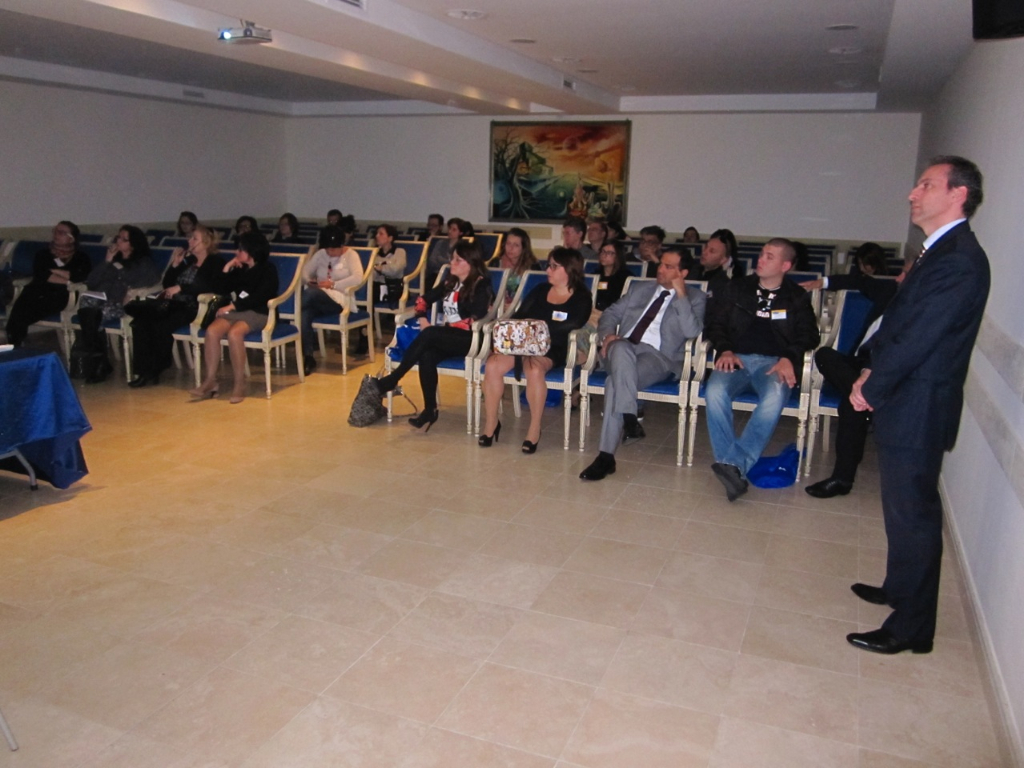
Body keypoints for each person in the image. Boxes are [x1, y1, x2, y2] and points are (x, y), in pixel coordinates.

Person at [846, 156, 989, 656]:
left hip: (919, 404)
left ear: (957, 195)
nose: (913, 193)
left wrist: (872, 386)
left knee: (914, 516)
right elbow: (900, 325)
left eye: (926, 185)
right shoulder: (939, 251)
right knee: (901, 509)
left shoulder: (958, 260)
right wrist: (871, 369)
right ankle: (899, 588)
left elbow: (920, 338)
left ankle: (911, 628)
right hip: (908, 397)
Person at [704, 238, 820, 501]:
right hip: (736, 358)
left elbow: (809, 335)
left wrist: (789, 357)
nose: (761, 260)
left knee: (774, 397)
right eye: (762, 254)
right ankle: (733, 468)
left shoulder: (795, 296)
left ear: (785, 265)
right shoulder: (737, 288)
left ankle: (733, 465)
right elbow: (715, 324)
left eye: (769, 256)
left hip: (774, 362)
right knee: (714, 391)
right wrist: (725, 349)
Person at [580, 249, 706, 481]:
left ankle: (606, 457)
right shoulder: (640, 289)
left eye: (669, 266)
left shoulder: (695, 298)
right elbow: (610, 314)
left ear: (683, 273)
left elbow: (691, 332)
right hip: (620, 350)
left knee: (614, 383)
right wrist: (607, 335)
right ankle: (629, 419)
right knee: (620, 347)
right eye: (661, 264)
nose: (660, 269)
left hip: (657, 358)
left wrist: (680, 295)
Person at [799, 262, 902, 498]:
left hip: (884, 370)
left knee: (851, 405)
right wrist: (823, 282)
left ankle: (842, 479)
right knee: (824, 354)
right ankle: (862, 394)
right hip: (856, 365)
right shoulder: (889, 292)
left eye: (906, 274)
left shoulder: (920, 310)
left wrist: (870, 375)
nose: (898, 277)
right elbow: (859, 281)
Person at [371, 240, 493, 431]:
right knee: (427, 355)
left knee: (431, 333)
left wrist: (442, 328)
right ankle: (430, 410)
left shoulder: (481, 284)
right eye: (452, 258)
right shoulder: (450, 282)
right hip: (448, 337)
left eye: (457, 260)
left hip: (472, 339)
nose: (451, 262)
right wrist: (422, 318)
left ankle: (393, 379)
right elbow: (422, 300)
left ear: (470, 263)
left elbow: (476, 318)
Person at [480, 247, 592, 453]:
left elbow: (574, 323)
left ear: (569, 269)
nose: (548, 270)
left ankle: (534, 428)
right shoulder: (541, 289)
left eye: (554, 266)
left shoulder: (582, 296)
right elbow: (519, 315)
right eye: (548, 265)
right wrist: (516, 331)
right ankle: (491, 423)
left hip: (555, 346)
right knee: (493, 364)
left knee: (534, 369)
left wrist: (539, 329)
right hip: (525, 343)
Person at [123, 225, 225, 387]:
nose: (189, 241)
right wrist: (175, 265)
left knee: (160, 325)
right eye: (190, 238)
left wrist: (181, 288)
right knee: (140, 322)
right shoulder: (189, 261)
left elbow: (208, 285)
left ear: (206, 243)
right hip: (174, 304)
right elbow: (167, 284)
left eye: (194, 239)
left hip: (195, 306)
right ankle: (143, 371)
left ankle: (155, 369)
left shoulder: (215, 262)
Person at [189, 231, 279, 404]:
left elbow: (262, 296)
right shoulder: (240, 268)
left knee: (234, 333)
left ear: (252, 251)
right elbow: (219, 288)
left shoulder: (268, 269)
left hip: (260, 312)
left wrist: (233, 306)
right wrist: (227, 268)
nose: (236, 252)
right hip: (238, 311)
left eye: (241, 250)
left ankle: (239, 383)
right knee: (212, 331)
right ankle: (210, 380)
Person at [75, 225, 161, 383]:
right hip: (102, 299)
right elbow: (92, 281)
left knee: (91, 317)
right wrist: (107, 260)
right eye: (118, 238)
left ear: (133, 244)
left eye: (123, 239)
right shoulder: (113, 259)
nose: (118, 241)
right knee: (88, 307)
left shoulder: (143, 262)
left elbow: (152, 280)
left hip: (121, 303)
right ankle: (100, 363)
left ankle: (99, 364)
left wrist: (128, 287)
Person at [4, 221, 91, 348]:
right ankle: (15, 345)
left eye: (61, 232)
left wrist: (55, 272)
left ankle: (17, 345)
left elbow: (79, 276)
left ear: (71, 238)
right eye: (55, 231)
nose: (56, 234)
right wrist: (66, 276)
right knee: (19, 311)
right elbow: (42, 274)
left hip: (62, 293)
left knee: (27, 313)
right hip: (37, 289)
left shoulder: (81, 257)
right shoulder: (43, 254)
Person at [300, 222, 362, 375]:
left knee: (308, 296)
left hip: (340, 299)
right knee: (304, 313)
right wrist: (309, 281)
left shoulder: (351, 255)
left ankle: (283, 315)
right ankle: (308, 356)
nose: (329, 252)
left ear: (341, 245)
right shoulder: (321, 254)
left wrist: (333, 285)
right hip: (318, 297)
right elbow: (304, 272)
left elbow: (358, 278)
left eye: (333, 249)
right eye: (327, 249)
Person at [692, 228, 744, 299]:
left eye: (712, 251)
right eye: (705, 247)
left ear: (723, 260)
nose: (704, 252)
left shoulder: (723, 285)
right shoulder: (691, 271)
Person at [497, 227, 538, 308]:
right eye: (508, 243)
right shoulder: (496, 263)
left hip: (523, 309)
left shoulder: (533, 267)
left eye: (516, 245)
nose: (511, 248)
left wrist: (518, 306)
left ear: (524, 248)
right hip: (497, 308)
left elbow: (535, 296)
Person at [424, 216, 465, 292]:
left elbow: (457, 264)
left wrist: (440, 259)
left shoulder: (463, 246)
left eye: (454, 230)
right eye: (449, 228)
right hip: (436, 273)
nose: (450, 231)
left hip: (453, 276)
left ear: (460, 232)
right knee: (429, 282)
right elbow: (432, 261)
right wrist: (446, 263)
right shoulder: (440, 243)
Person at [371, 224, 407, 308]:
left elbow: (396, 269)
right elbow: (370, 272)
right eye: (377, 233)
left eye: (381, 234)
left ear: (390, 238)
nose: (377, 236)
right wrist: (381, 268)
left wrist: (380, 268)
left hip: (393, 287)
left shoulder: (399, 252)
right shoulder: (374, 253)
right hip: (376, 286)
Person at [591, 241, 631, 314]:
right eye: (603, 251)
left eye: (609, 253)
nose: (604, 255)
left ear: (618, 256)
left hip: (613, 313)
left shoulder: (625, 277)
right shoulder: (595, 274)